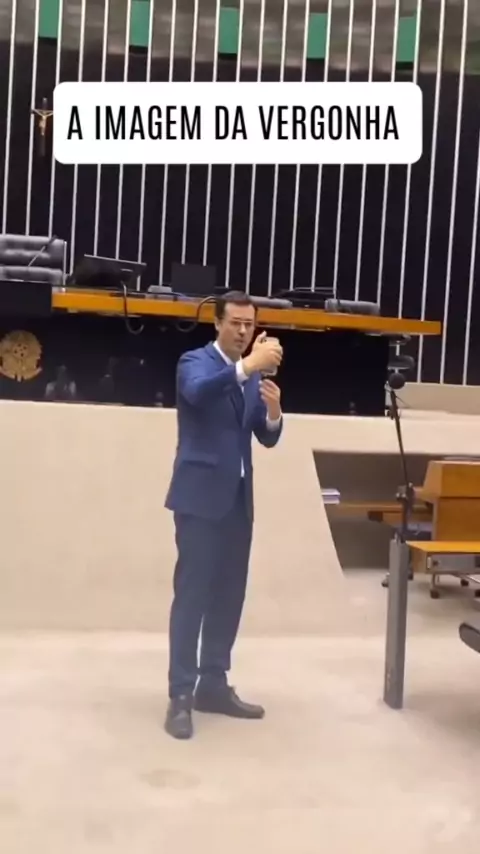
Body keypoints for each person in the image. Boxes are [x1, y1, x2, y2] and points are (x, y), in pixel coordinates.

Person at [164, 291, 284, 739]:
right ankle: (181, 694)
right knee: (192, 596)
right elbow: (197, 394)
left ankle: (212, 684)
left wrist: (273, 413)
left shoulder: (249, 376)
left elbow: (264, 437)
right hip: (198, 500)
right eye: (235, 322)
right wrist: (248, 366)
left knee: (229, 596)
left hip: (237, 502)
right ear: (217, 323)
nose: (243, 331)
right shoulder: (194, 362)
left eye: (249, 324)